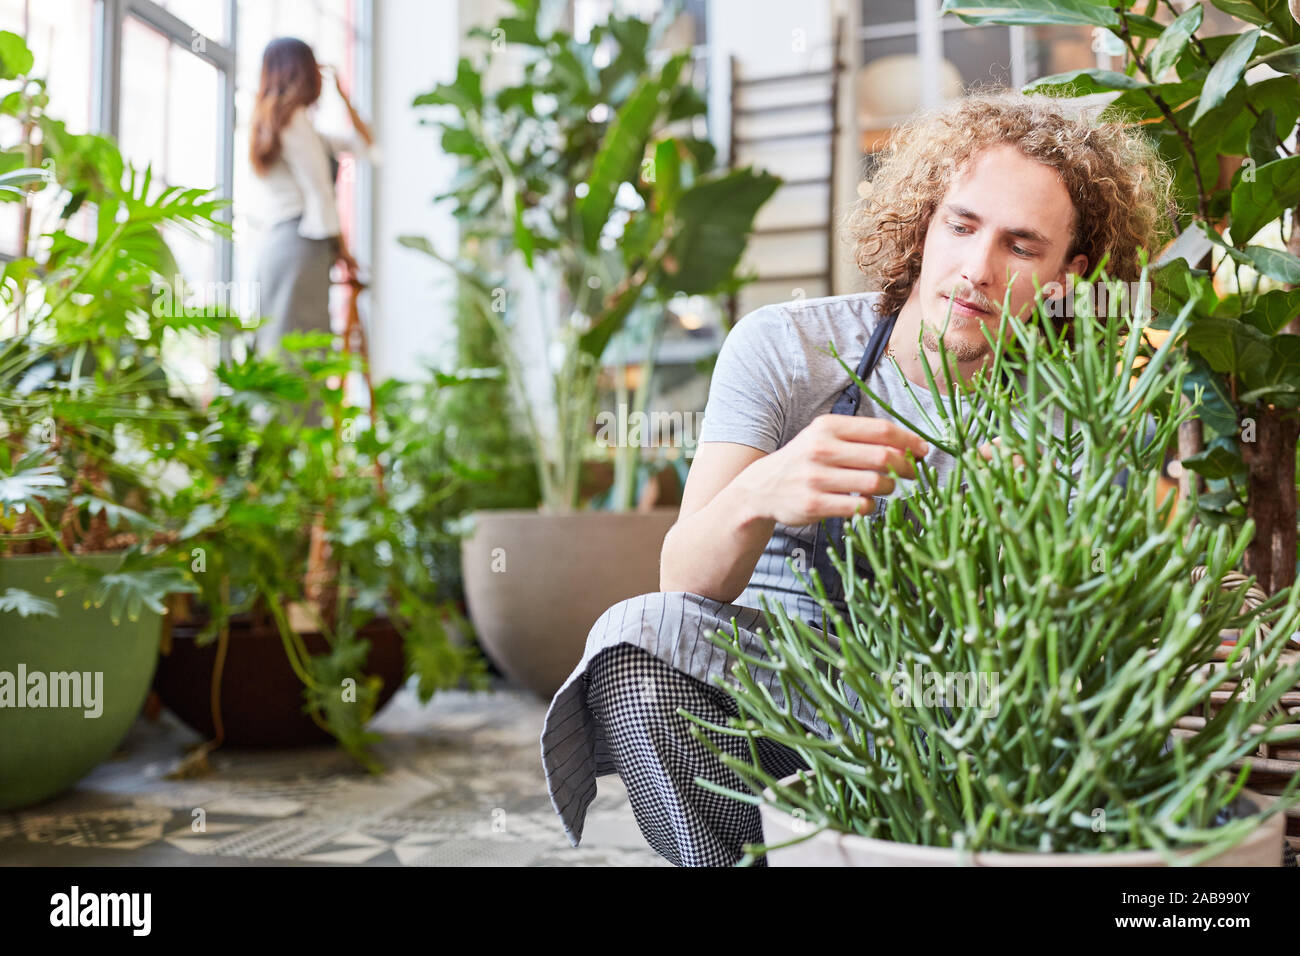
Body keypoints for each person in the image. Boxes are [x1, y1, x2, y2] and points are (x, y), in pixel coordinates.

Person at [540, 90, 1175, 866]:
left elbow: (1106, 637)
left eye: (1020, 246)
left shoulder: (1089, 407)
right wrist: (762, 490)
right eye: (962, 225)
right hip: (783, 710)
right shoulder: (785, 348)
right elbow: (684, 581)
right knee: (634, 644)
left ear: (1067, 275)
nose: (975, 268)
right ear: (923, 219)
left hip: (965, 722)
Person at [248, 36, 376, 355]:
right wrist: (344, 251)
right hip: (303, 245)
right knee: (302, 359)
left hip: (282, 245)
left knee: (279, 351)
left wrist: (345, 98)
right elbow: (319, 191)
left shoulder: (284, 123)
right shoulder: (294, 121)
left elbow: (364, 144)